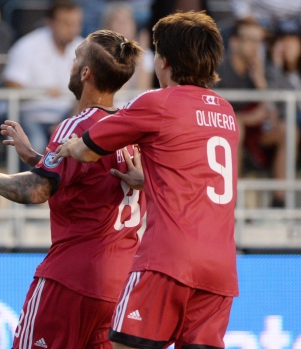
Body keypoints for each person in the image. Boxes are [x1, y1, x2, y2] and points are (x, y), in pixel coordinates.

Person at [54, 11, 238, 348]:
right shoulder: (226, 112)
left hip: (168, 261)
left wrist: (59, 150)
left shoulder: (157, 102)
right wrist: (149, 179)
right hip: (221, 269)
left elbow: (86, 150)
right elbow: (194, 173)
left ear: (163, 61)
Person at [0, 29, 145, 348]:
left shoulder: (76, 126)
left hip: (72, 280)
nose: (71, 65)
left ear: (85, 73)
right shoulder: (132, 130)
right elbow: (92, 179)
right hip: (121, 287)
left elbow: (37, 191)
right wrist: (35, 157)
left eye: (75, 58)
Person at [215, 17, 290, 207]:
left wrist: (260, 83)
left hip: (255, 129)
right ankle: (232, 201)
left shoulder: (263, 69)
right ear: (234, 41)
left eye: (259, 41)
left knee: (287, 132)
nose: (255, 46)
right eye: (250, 39)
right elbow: (212, 109)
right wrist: (245, 118)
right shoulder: (218, 70)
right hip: (224, 132)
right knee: (237, 127)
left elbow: (273, 112)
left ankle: (279, 201)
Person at [0, 0, 83, 155]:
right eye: (66, 23)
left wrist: (67, 122)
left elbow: (87, 93)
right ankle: (34, 179)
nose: (72, 29)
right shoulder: (27, 46)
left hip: (65, 115)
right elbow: (12, 86)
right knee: (36, 142)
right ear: (50, 23)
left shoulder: (83, 48)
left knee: (85, 138)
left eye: (75, 23)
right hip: (25, 113)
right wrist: (41, 93)